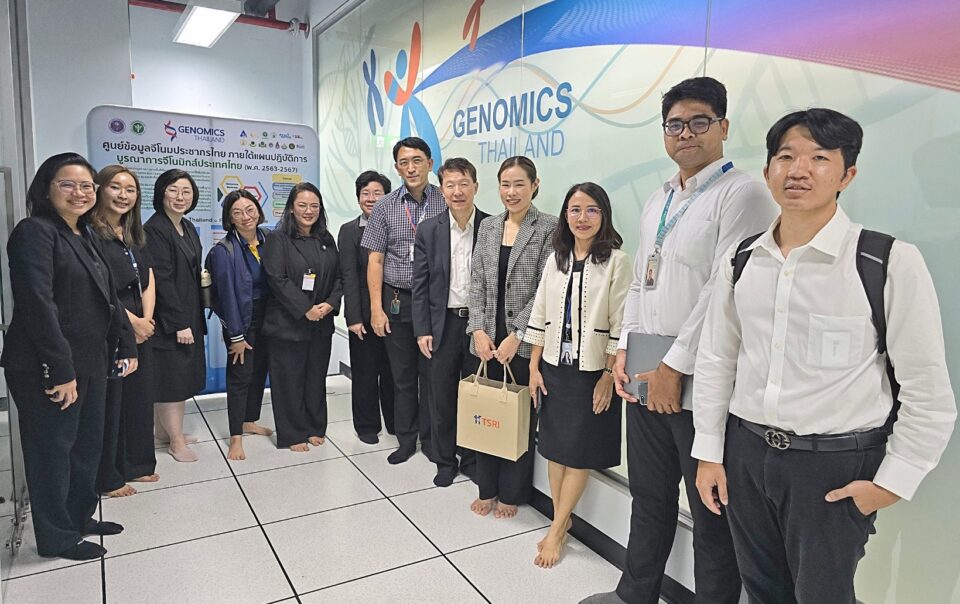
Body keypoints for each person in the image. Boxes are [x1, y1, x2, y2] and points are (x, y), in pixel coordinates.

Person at [693, 108, 956, 603]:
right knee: (763, 591)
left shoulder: (886, 261)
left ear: (847, 174)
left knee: (823, 596)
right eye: (786, 156)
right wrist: (709, 453)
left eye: (818, 157)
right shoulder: (742, 260)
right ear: (768, 170)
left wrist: (890, 484)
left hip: (833, 467)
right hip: (746, 453)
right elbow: (717, 359)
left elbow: (927, 390)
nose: (798, 169)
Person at [582, 77, 778, 604]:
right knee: (649, 495)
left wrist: (674, 366)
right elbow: (642, 284)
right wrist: (625, 346)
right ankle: (635, 593)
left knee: (711, 510)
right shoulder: (659, 198)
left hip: (701, 376)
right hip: (645, 368)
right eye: (675, 124)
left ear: (723, 127)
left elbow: (722, 291)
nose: (685, 133)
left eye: (699, 122)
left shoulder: (744, 194)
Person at [1, 153, 137, 560]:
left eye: (86, 186)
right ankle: (56, 536)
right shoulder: (34, 232)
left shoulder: (84, 233)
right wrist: (60, 369)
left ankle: (78, 516)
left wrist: (125, 344)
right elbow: (37, 304)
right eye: (68, 184)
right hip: (48, 365)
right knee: (52, 451)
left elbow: (108, 298)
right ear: (47, 189)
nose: (79, 193)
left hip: (91, 360)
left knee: (86, 446)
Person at [526, 182, 632, 568]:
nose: (582, 218)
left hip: (592, 372)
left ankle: (556, 529)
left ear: (603, 215)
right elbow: (540, 312)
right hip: (555, 367)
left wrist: (607, 375)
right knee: (555, 450)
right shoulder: (556, 259)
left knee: (579, 453)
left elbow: (622, 322)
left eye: (591, 210)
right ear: (565, 216)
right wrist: (534, 366)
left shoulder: (617, 261)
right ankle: (562, 520)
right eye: (574, 210)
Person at [467, 155, 557, 518]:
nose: (512, 192)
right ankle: (486, 487)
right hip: (487, 341)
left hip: (523, 343)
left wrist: (517, 334)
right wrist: (477, 329)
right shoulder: (488, 226)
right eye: (505, 184)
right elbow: (476, 282)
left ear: (535, 185)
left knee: (518, 418)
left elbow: (544, 289)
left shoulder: (549, 227)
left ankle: (511, 493)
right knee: (485, 414)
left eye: (520, 184)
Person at [361, 137, 445, 464]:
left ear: (430, 164)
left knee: (433, 377)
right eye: (404, 162)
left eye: (417, 160)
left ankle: (434, 443)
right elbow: (375, 260)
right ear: (397, 168)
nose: (411, 168)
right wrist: (376, 308)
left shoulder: (445, 200)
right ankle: (407, 440)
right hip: (397, 300)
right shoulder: (385, 206)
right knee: (403, 377)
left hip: (436, 303)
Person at [412, 157, 490, 487]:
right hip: (442, 324)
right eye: (450, 185)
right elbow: (420, 284)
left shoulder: (491, 226)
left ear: (475, 187)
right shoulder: (429, 229)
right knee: (441, 397)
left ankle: (471, 459)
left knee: (475, 396)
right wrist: (422, 330)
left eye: (464, 184)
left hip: (478, 326)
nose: (457, 191)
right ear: (441, 190)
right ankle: (444, 460)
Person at [90, 165, 158, 496]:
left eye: (130, 190)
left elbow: (148, 277)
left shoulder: (133, 234)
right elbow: (99, 289)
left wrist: (147, 319)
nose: (123, 195)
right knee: (111, 403)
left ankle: (138, 464)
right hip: (112, 326)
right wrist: (133, 322)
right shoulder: (89, 234)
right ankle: (109, 476)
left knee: (139, 398)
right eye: (115, 187)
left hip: (140, 325)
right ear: (100, 189)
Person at [261, 182, 341, 452]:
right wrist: (306, 309)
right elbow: (277, 279)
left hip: (321, 323)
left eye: (314, 206)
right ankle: (292, 433)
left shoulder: (326, 239)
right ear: (291, 208)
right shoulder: (278, 239)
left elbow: (339, 277)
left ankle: (315, 427)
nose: (309, 211)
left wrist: (329, 304)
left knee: (315, 378)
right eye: (302, 205)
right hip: (288, 324)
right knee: (289, 381)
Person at [206, 190, 274, 460]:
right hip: (241, 320)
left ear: (258, 210)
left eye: (250, 210)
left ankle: (249, 421)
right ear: (229, 218)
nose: (246, 217)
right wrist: (235, 335)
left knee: (259, 372)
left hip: (269, 318)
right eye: (237, 213)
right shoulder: (224, 251)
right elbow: (225, 298)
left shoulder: (269, 239)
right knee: (240, 376)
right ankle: (236, 437)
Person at [144, 169, 207, 462]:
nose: (180, 197)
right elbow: (161, 280)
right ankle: (176, 442)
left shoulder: (187, 226)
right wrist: (179, 323)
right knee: (173, 380)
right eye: (173, 190)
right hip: (169, 320)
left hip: (188, 311)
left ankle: (163, 432)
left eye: (186, 191)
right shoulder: (155, 229)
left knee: (176, 376)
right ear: (161, 193)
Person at [337, 171, 395, 444]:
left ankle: (396, 422)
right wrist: (353, 317)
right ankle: (367, 426)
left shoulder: (398, 225)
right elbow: (348, 275)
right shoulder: (349, 231)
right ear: (358, 197)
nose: (371, 199)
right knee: (364, 372)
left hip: (395, 312)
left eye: (377, 193)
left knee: (393, 372)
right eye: (365, 193)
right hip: (362, 313)